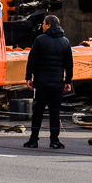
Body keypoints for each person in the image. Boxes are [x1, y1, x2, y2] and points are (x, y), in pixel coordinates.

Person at [24, 15, 73, 149]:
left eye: (44, 24)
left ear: (49, 25)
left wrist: (28, 77)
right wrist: (68, 81)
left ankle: (34, 140)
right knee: (55, 112)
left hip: (41, 83)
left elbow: (32, 60)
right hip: (57, 84)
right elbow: (69, 64)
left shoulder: (40, 40)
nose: (43, 26)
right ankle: (54, 140)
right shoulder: (65, 41)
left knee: (38, 111)